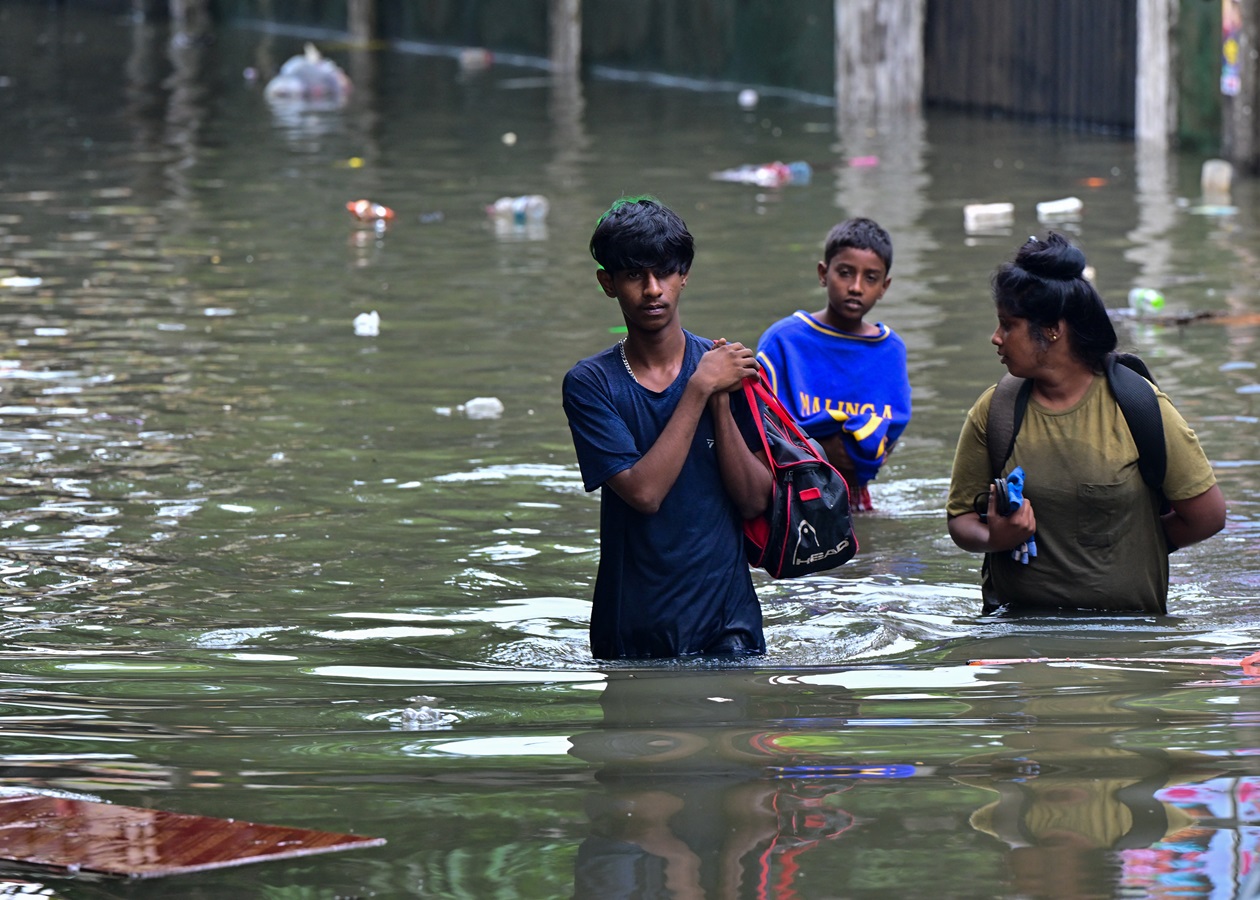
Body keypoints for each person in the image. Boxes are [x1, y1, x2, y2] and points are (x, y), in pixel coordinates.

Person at [945, 232, 1226, 614]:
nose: (996, 338)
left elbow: (1207, 516)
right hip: (1019, 641)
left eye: (1008, 324)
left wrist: (1130, 543)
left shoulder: (1138, 406)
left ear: (1052, 329)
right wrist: (997, 536)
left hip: (1128, 643)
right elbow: (960, 520)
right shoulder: (995, 411)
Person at [562, 196, 772, 660]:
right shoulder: (591, 384)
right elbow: (644, 494)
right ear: (608, 283)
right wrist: (698, 390)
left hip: (729, 622)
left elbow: (756, 499)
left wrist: (719, 398)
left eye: (663, 272)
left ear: (684, 275)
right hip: (635, 628)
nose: (653, 289)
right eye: (635, 275)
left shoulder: (728, 367)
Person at [755, 217, 911, 511]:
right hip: (792, 488)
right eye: (845, 273)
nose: (855, 287)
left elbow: (891, 427)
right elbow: (760, 424)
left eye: (870, 278)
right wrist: (823, 449)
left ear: (884, 286)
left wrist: (873, 450)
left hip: (856, 494)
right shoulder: (784, 341)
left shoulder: (890, 349)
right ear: (823, 273)